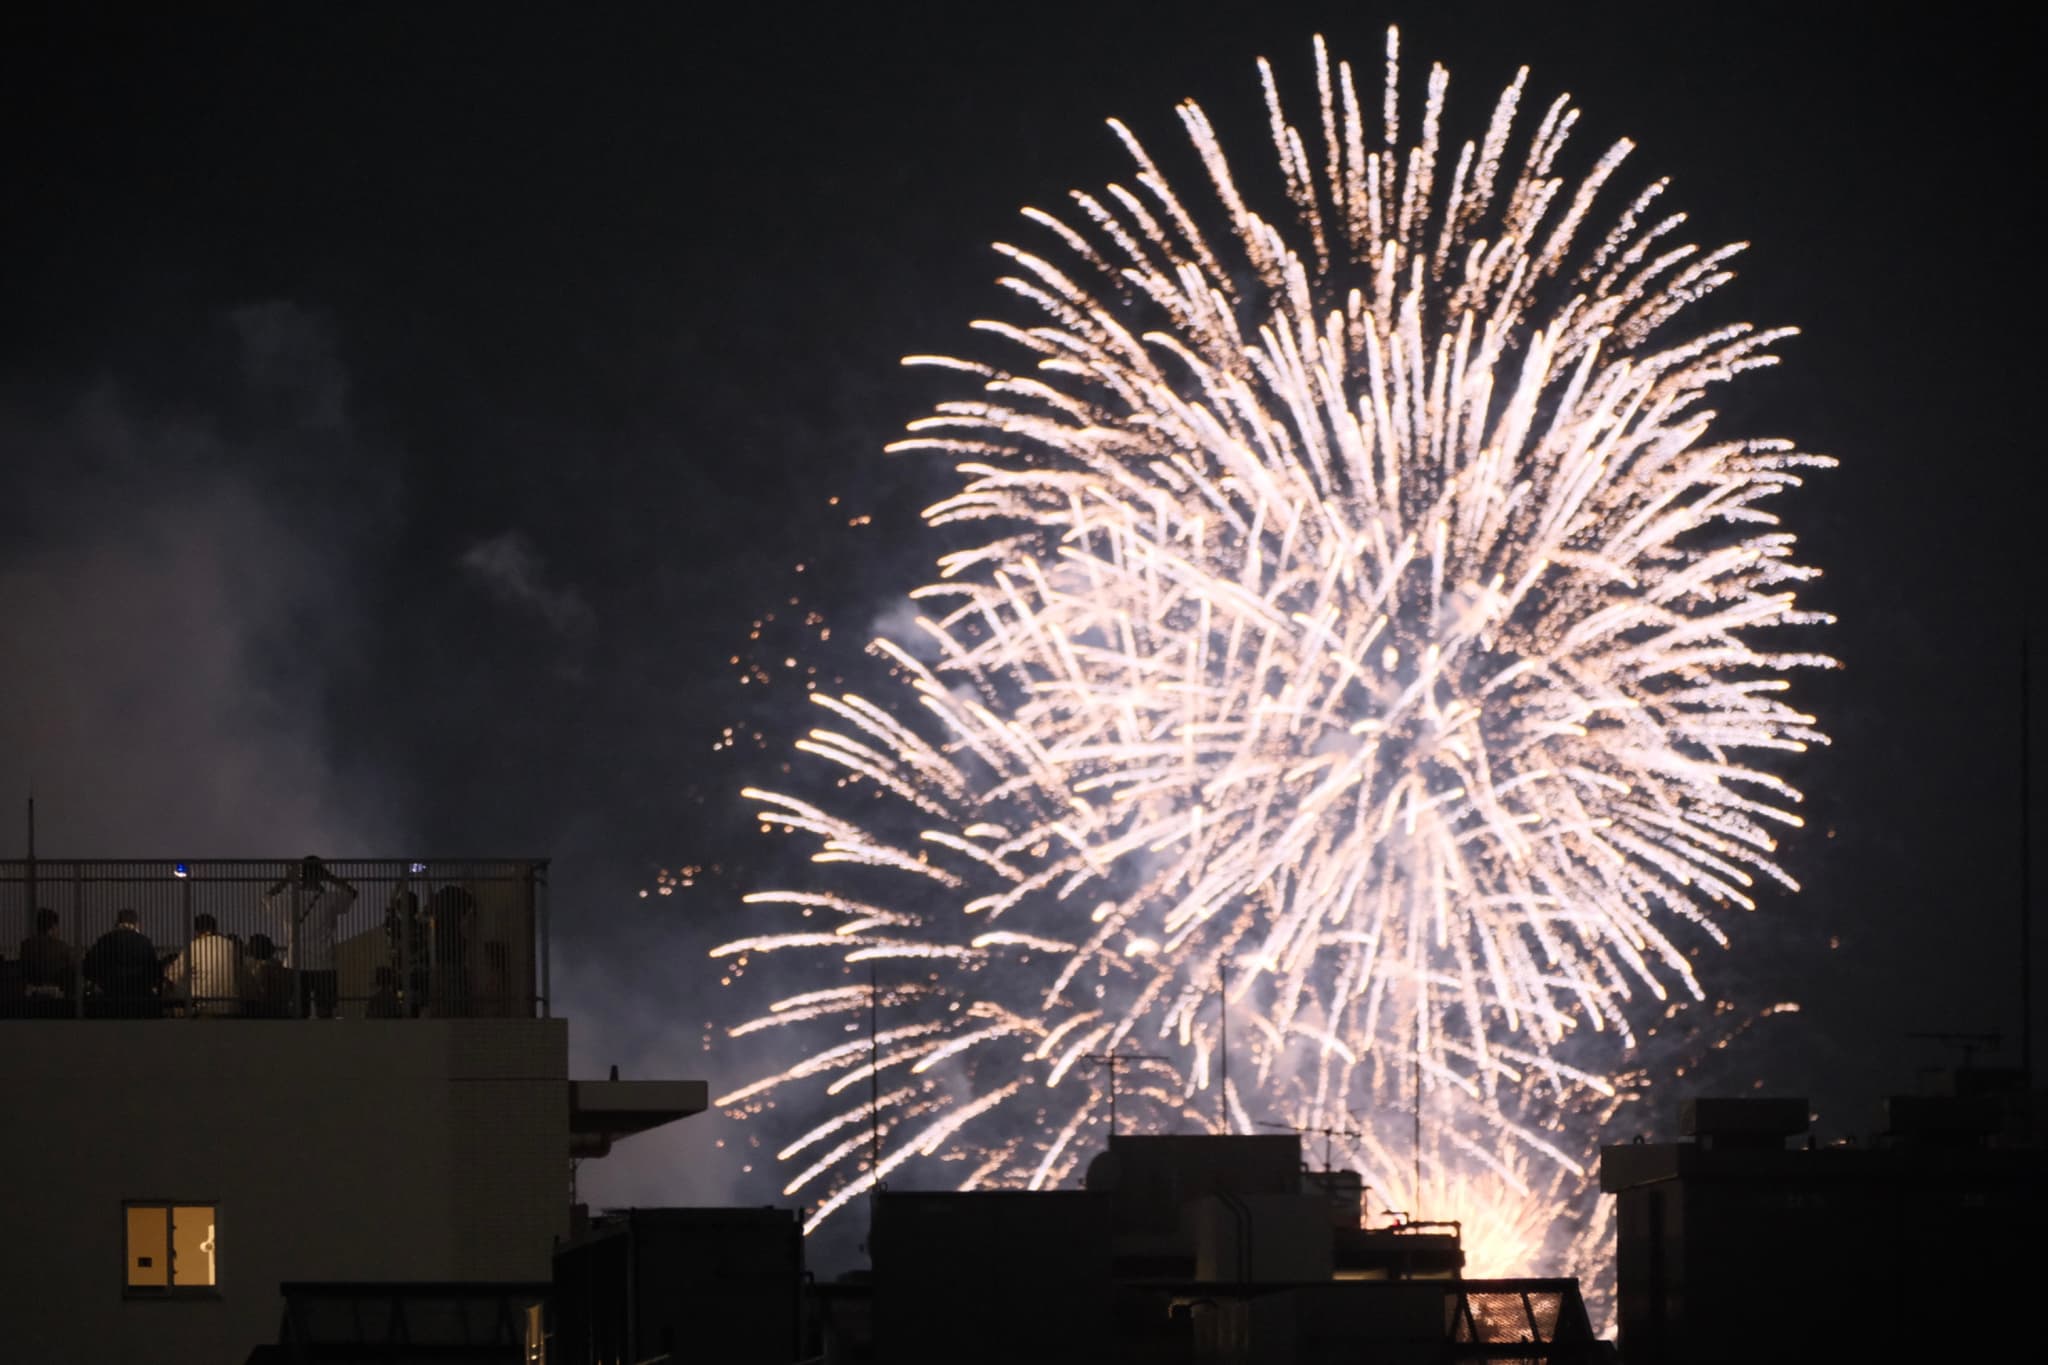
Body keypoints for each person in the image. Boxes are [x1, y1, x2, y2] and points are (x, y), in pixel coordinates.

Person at [263, 856, 357, 1018]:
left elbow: (266, 898)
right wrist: (331, 878)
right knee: (325, 1010)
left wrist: (287, 880)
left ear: (302, 874)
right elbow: (352, 893)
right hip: (325, 961)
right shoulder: (330, 899)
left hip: (296, 961)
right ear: (320, 873)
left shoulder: (288, 899)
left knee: (299, 1010)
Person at [82, 909, 160, 1016]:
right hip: (139, 999)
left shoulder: (104, 940)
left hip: (109, 998)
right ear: (136, 924)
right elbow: (154, 970)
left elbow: (88, 967)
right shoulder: (144, 942)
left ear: (117, 923)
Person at [166, 913, 241, 1016]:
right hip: (229, 1008)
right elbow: (237, 973)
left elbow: (171, 977)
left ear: (197, 931)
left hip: (202, 1009)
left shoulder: (194, 947)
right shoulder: (230, 946)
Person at [18, 909, 76, 1003]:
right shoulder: (62, 947)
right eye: (57, 927)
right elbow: (73, 967)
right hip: (57, 994)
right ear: (53, 927)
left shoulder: (25, 946)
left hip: (31, 995)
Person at [240, 934, 292, 1018]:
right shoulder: (279, 965)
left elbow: (259, 993)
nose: (247, 947)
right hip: (282, 1009)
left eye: (250, 945)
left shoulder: (260, 968)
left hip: (266, 1011)